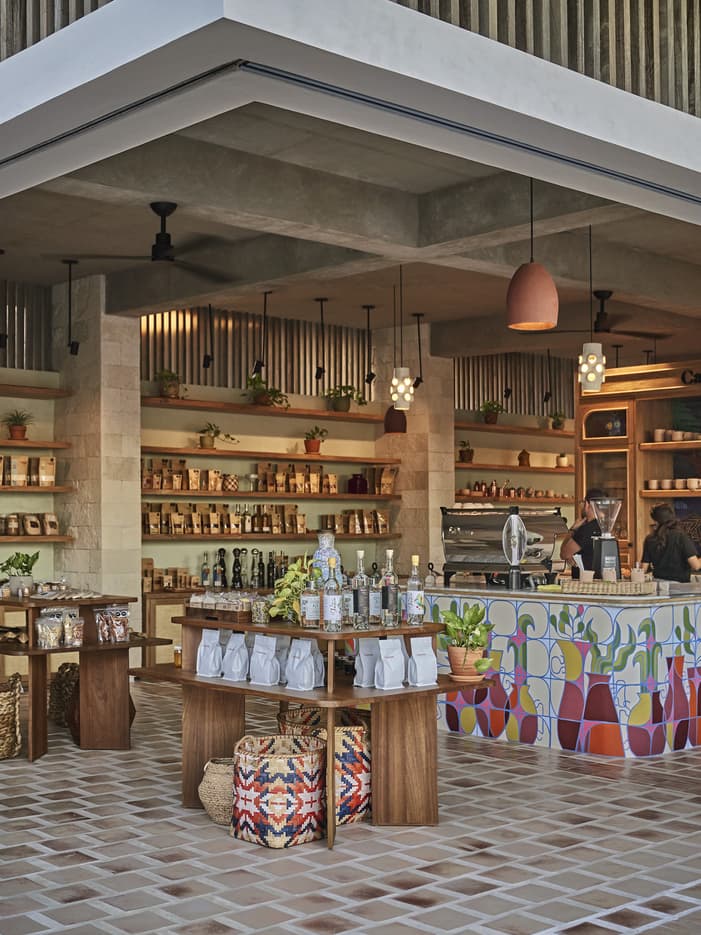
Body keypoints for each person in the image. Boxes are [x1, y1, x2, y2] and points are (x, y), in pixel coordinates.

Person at [641, 504, 701, 583]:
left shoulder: (649, 538)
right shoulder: (681, 536)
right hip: (679, 587)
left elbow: (643, 569)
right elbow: (696, 566)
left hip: (657, 585)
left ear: (656, 521)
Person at [560, 488, 606, 572]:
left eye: (583, 503)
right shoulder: (606, 527)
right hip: (602, 576)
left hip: (585, 578)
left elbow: (564, 554)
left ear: (587, 504)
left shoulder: (586, 529)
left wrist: (572, 530)